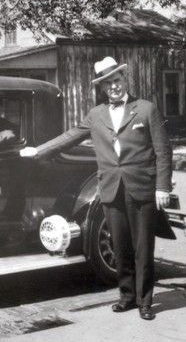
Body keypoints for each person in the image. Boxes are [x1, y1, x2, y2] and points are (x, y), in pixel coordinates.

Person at [20, 56, 171, 321]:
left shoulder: (146, 109)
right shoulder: (96, 115)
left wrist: (162, 187)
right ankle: (127, 297)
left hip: (142, 188)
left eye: (117, 80)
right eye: (108, 84)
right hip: (111, 189)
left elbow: (163, 151)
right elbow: (69, 137)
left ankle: (146, 301)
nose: (114, 87)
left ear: (125, 80)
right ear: (102, 89)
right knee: (120, 246)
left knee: (143, 248)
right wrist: (38, 151)